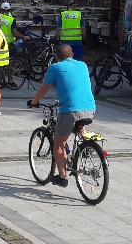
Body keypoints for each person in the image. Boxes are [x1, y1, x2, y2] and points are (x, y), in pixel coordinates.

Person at [27, 44, 96, 187]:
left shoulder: (55, 67)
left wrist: (34, 102)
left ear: (56, 57)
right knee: (78, 123)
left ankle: (62, 177)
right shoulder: (83, 65)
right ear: (72, 55)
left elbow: (43, 88)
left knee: (59, 143)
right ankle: (85, 147)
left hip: (70, 110)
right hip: (90, 109)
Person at [0, 2, 30, 88]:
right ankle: (10, 80)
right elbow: (15, 33)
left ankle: (0, 81)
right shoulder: (11, 20)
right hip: (8, 44)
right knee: (9, 62)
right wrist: (23, 37)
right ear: (9, 10)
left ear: (0, 9)